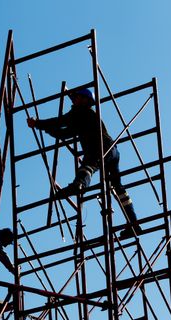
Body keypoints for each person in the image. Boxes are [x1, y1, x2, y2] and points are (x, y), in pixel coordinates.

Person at [27, 88, 140, 237]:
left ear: (85, 100)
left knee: (89, 166)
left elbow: (60, 122)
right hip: (113, 150)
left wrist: (38, 124)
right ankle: (133, 224)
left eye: (77, 98)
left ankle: (79, 185)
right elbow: (66, 132)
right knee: (118, 187)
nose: (74, 101)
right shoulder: (87, 115)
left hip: (99, 147)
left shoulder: (80, 112)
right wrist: (49, 130)